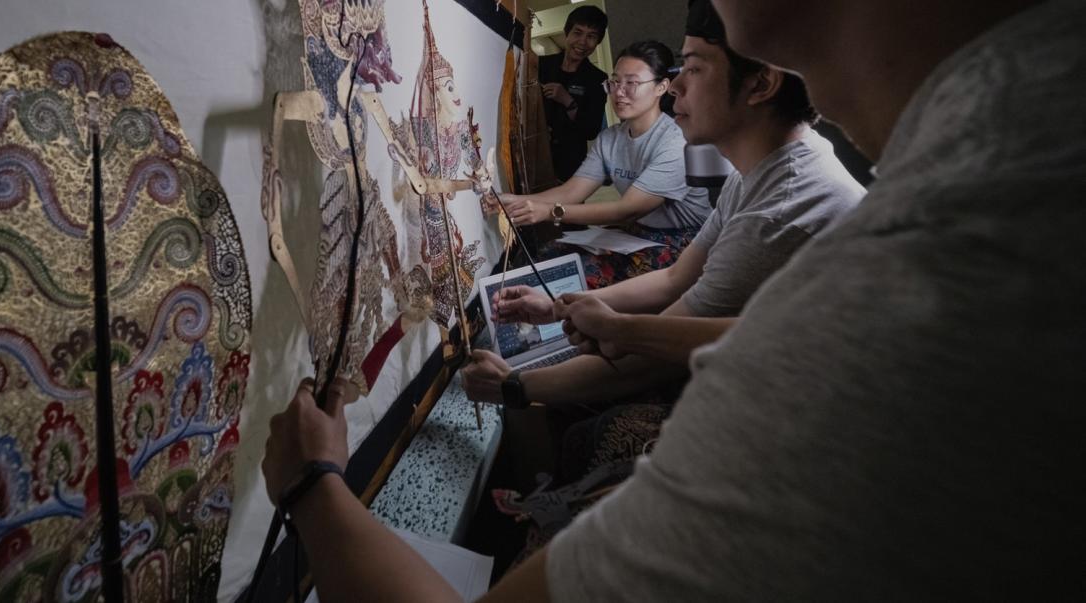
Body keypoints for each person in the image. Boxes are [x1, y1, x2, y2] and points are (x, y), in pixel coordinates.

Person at [262, 0, 1086, 599]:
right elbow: (675, 280)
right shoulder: (980, 171)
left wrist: (314, 486)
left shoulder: (931, 273)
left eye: (685, 73)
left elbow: (656, 291)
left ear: (760, 83)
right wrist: (566, 302)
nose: (663, 92)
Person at [463, 25, 864, 420]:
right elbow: (676, 279)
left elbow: (659, 354)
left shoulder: (778, 207)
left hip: (820, 410)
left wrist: (516, 386)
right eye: (615, 82)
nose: (675, 88)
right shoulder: (753, 174)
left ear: (761, 85)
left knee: (603, 433)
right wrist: (555, 308)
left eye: (692, 69)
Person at [505, 39, 712, 286]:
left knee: (584, 273)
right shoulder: (610, 139)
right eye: (614, 82)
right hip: (638, 234)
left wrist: (549, 212)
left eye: (632, 83)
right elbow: (572, 191)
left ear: (661, 87)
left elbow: (627, 210)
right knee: (552, 254)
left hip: (685, 241)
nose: (619, 92)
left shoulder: (675, 141)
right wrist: (514, 202)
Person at [537, 5, 609, 181]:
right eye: (577, 32)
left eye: (591, 36)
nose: (583, 42)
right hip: (535, 157)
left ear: (598, 42)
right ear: (566, 33)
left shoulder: (597, 79)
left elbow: (591, 130)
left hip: (570, 165)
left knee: (567, 208)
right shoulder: (541, 66)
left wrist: (568, 101)